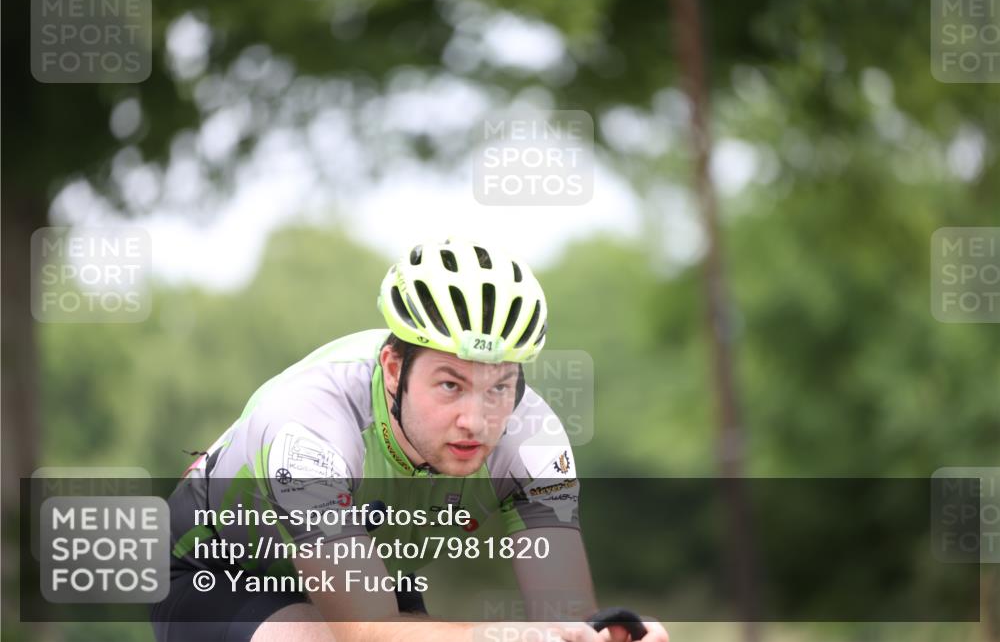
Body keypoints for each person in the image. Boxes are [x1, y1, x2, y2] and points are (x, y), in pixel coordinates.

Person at [151, 238, 669, 642]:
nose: (476, 420)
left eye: (499, 387)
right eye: (450, 385)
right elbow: (366, 631)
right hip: (219, 572)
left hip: (372, 576)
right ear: (394, 369)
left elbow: (563, 618)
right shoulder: (309, 425)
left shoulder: (534, 440)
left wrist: (601, 635)